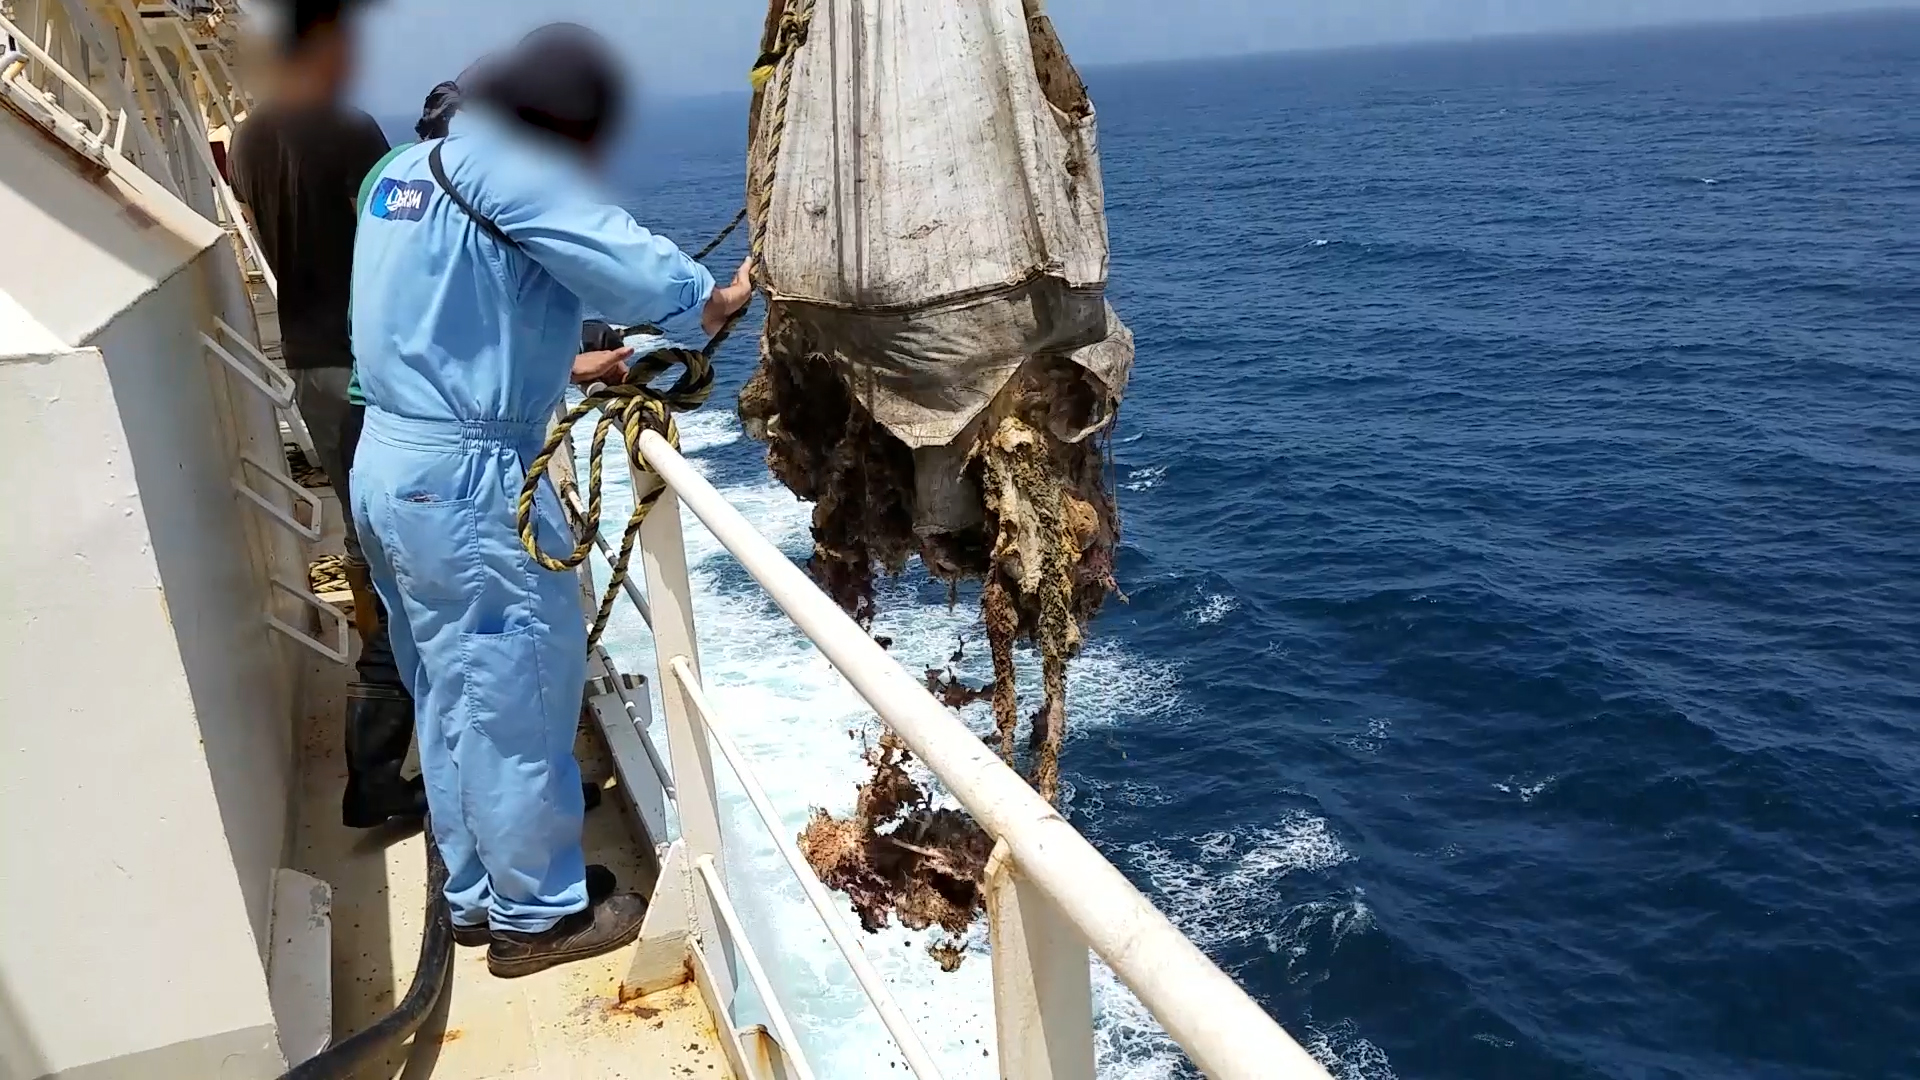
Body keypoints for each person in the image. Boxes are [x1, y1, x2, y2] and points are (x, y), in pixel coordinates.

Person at [349, 23, 752, 978]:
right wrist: (710, 299)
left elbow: (468, 302)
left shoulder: (401, 173)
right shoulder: (503, 165)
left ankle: (478, 896)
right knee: (516, 693)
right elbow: (635, 266)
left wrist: (574, 354)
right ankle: (539, 919)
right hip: (467, 480)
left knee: (447, 689)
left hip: (389, 460)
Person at [229, 0, 424, 829]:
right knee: (404, 548)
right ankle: (379, 771)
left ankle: (383, 762)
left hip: (308, 360)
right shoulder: (348, 132)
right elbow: (404, 248)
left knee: (367, 540)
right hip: (369, 362)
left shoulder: (245, 138)